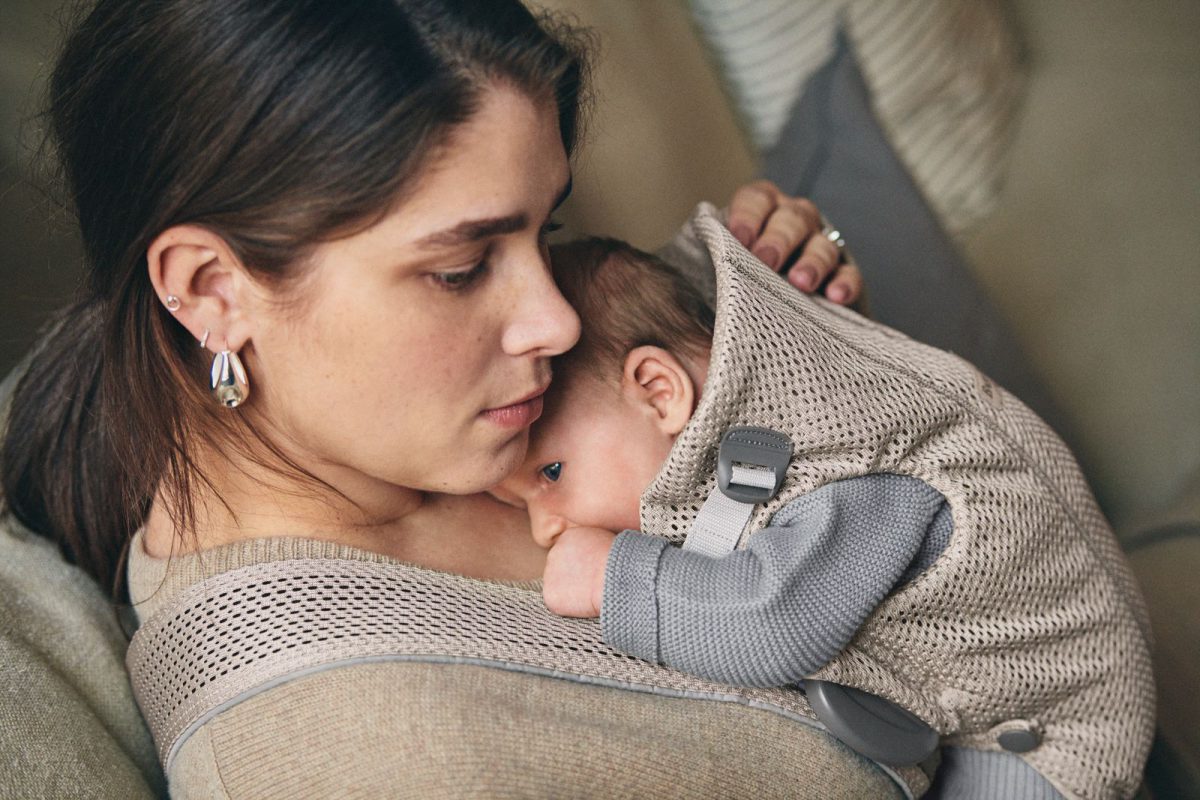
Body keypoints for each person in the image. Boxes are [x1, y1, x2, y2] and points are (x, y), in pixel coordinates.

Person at [0, 1, 903, 797]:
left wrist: (791, 337)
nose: (552, 318)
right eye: (461, 270)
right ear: (211, 291)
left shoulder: (490, 390)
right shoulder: (322, 756)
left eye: (543, 231)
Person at [496, 229, 1155, 800]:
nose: (544, 525)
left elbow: (775, 619)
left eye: (552, 474)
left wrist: (618, 576)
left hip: (1053, 724)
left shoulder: (842, 460)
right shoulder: (740, 428)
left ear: (658, 390)